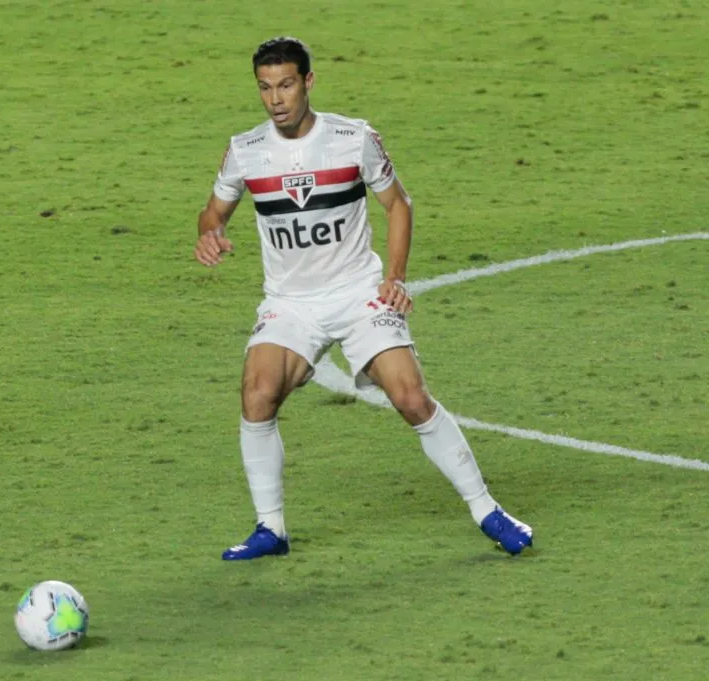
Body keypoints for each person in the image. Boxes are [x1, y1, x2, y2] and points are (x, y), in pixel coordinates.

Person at [194, 36, 533, 560]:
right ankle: (271, 529)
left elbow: (398, 204)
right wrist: (210, 232)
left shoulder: (354, 138)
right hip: (291, 301)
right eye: (265, 88)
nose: (275, 99)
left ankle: (488, 509)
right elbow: (213, 212)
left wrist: (393, 277)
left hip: (357, 294)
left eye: (285, 85)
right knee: (257, 394)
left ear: (308, 82)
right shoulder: (247, 150)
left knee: (411, 397)